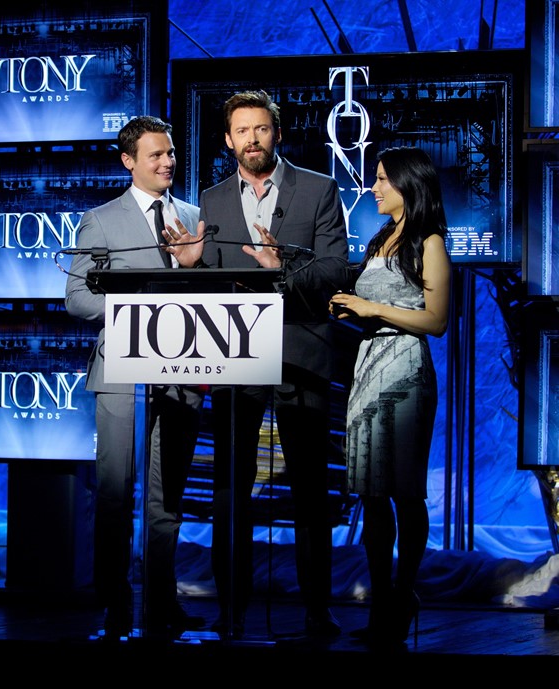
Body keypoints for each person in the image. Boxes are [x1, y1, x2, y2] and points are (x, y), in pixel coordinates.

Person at [164, 89, 354, 638]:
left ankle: (317, 609)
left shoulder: (319, 189)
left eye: (261, 129)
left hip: (301, 351)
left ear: (277, 133)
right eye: (242, 131)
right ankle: (232, 608)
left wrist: (281, 270)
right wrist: (193, 266)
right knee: (231, 486)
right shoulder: (212, 198)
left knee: (310, 488)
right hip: (235, 356)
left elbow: (335, 271)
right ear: (228, 140)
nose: (253, 139)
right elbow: (214, 288)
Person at [65, 116, 206, 640]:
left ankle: (163, 601)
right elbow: (77, 298)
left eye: (170, 153)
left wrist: (192, 269)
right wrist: (136, 310)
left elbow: (210, 295)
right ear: (129, 161)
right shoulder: (100, 220)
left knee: (167, 499)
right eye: (156, 155)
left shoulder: (194, 217)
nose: (168, 162)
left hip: (182, 375)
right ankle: (115, 603)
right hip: (122, 376)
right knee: (115, 493)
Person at [329, 146, 451, 646]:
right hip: (367, 365)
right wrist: (351, 309)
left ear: (408, 184)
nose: (374, 187)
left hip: (404, 369)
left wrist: (371, 308)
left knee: (404, 491)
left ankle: (403, 594)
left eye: (382, 179)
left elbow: (436, 321)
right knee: (371, 492)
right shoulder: (381, 238)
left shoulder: (430, 242)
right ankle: (382, 602)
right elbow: (375, 303)